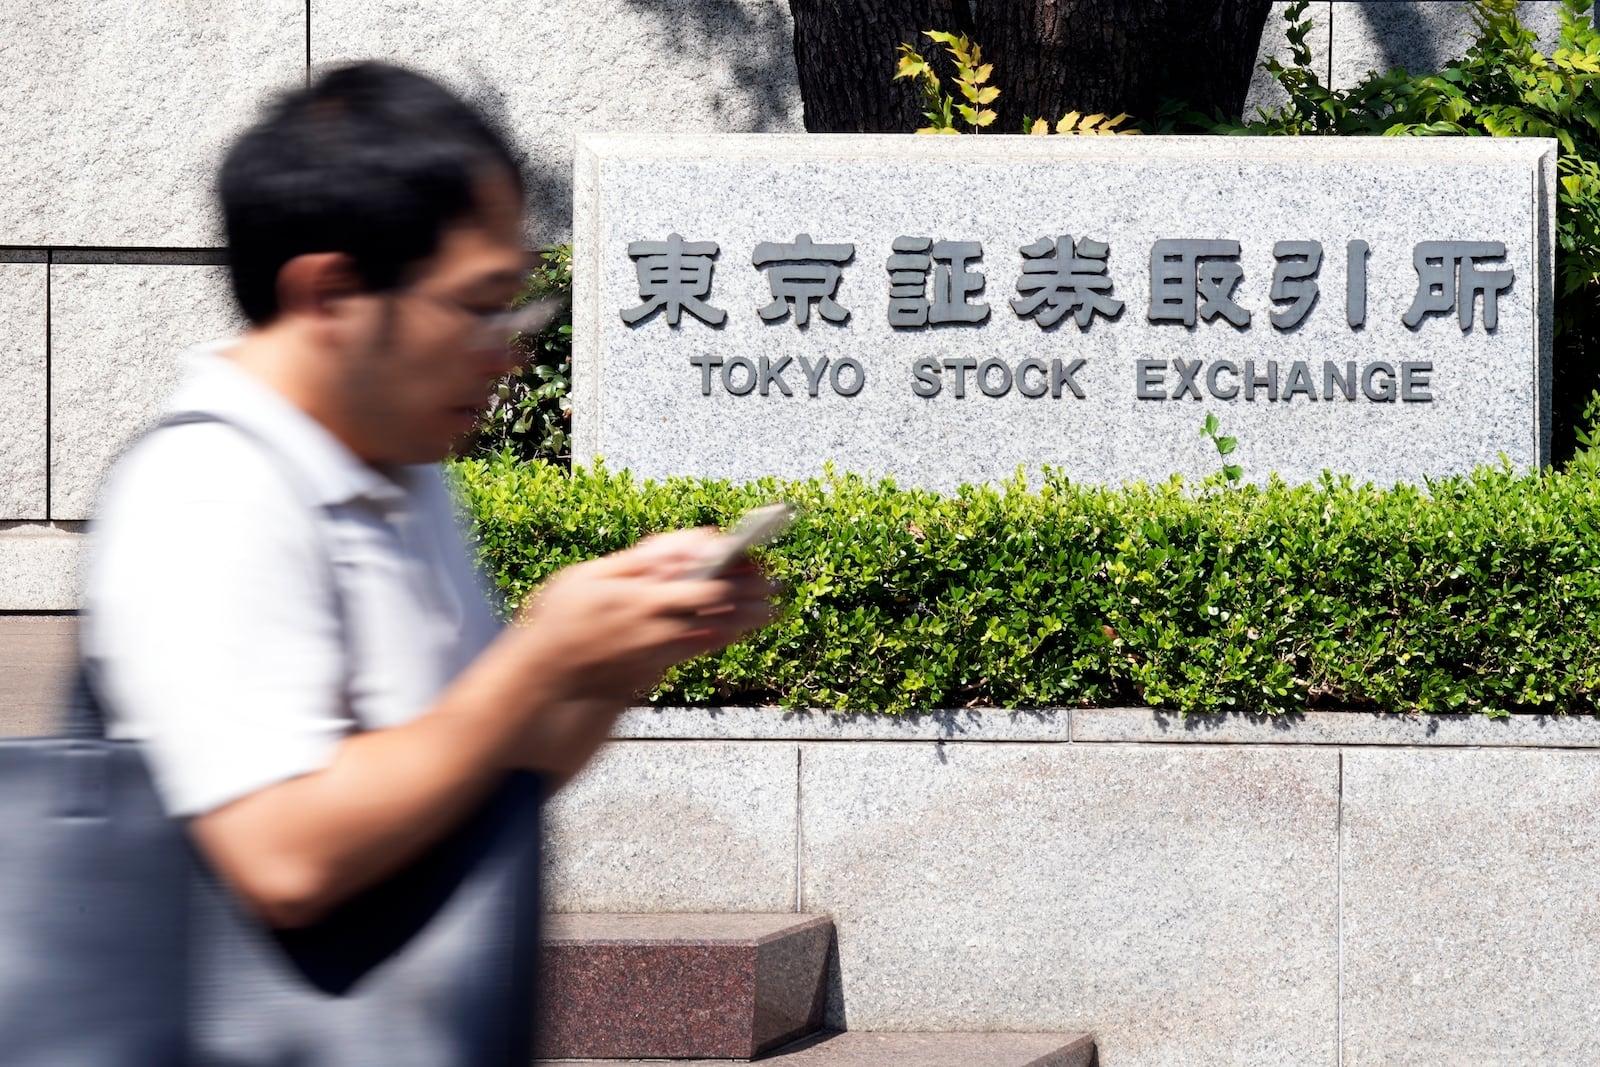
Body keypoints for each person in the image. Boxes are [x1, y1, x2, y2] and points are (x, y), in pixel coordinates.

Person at [81, 60, 773, 941]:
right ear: (330, 295)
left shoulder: (402, 469)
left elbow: (484, 772)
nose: (506, 352)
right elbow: (284, 855)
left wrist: (616, 656)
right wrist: (538, 663)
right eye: (478, 307)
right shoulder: (210, 491)